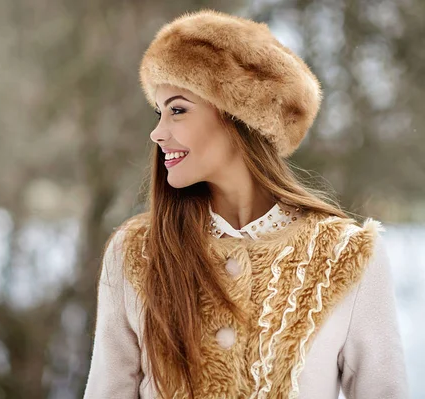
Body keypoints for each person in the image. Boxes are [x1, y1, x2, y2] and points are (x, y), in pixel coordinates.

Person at [83, 9, 409, 399]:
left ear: (239, 117)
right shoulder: (136, 254)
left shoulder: (345, 255)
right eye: (159, 112)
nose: (157, 133)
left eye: (178, 109)